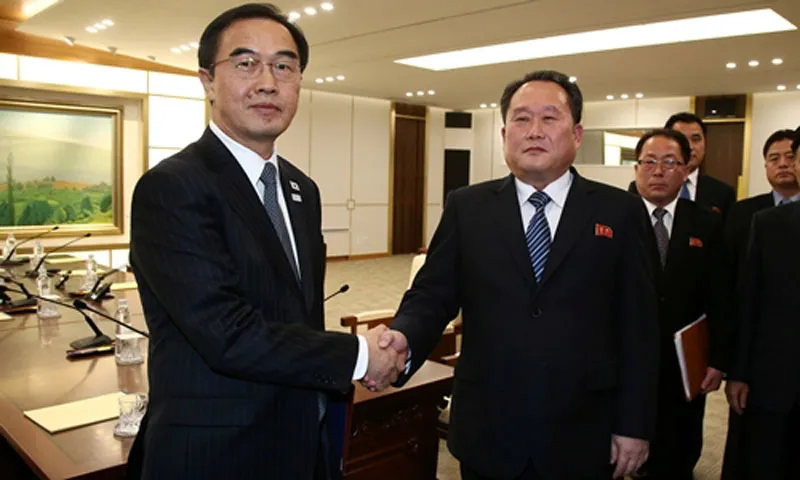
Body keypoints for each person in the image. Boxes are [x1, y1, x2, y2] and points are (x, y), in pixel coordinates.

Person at [126, 4, 403, 479]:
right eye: (245, 63)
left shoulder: (300, 189)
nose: (268, 82)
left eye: (284, 66)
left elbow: (298, 316)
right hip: (215, 454)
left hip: (301, 438)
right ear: (208, 81)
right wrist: (359, 355)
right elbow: (227, 333)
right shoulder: (172, 187)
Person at [373, 70, 660, 480]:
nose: (534, 131)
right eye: (522, 119)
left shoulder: (621, 212)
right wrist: (403, 337)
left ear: (577, 134)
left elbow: (640, 327)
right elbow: (432, 295)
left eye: (550, 118)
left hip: (584, 429)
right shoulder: (467, 207)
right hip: (490, 427)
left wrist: (634, 424)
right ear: (505, 134)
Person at [631, 129, 728, 480]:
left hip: (686, 360)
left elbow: (720, 294)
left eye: (670, 162)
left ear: (686, 170)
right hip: (627, 357)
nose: (658, 171)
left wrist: (718, 359)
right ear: (636, 168)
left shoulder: (707, 221)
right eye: (649, 162)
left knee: (679, 447)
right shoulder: (614, 216)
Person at [720, 129, 799, 480]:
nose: (785, 165)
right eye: (775, 158)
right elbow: (745, 297)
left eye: (790, 157)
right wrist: (737, 370)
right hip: (774, 372)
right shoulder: (764, 221)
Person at [629, 112, 736, 217]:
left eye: (696, 139)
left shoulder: (723, 193)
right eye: (681, 139)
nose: (690, 147)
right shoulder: (641, 187)